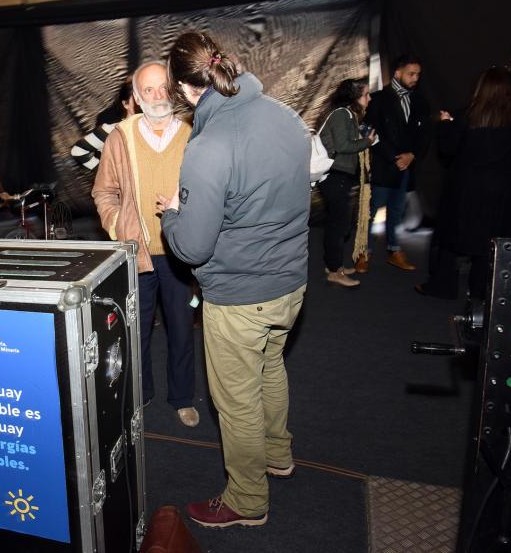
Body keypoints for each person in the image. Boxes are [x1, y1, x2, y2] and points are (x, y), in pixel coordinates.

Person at [158, 31, 308, 528]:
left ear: (185, 87)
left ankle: (246, 500)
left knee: (236, 401)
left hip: (241, 293)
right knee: (271, 368)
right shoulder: (285, 116)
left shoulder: (210, 145)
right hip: (291, 282)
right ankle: (278, 454)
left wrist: (172, 215)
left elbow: (192, 247)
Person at [92, 61, 199, 427]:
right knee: (134, 333)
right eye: (148, 90)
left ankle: (183, 397)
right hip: (136, 255)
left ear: (174, 91)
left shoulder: (193, 131)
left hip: (181, 253)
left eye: (162, 88)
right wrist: (117, 224)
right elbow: (103, 191)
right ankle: (140, 395)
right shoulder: (119, 137)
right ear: (136, 97)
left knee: (183, 330)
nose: (157, 96)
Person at [416, 67, 511, 299]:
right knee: (489, 248)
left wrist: (444, 125)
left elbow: (447, 151)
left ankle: (442, 286)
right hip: (501, 195)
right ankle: (481, 294)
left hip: (466, 192)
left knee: (451, 242)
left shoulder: (467, 116)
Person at [359, 54, 429, 272]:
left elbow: (425, 134)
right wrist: (393, 157)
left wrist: (412, 156)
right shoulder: (378, 99)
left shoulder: (420, 100)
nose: (415, 78)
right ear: (398, 73)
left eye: (418, 74)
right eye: (411, 73)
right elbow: (369, 130)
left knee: (397, 211)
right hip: (383, 165)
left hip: (407, 166)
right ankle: (363, 252)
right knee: (371, 212)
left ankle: (394, 250)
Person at [318, 78, 378, 288]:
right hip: (335, 177)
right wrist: (367, 142)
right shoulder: (342, 114)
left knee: (337, 224)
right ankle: (335, 271)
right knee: (338, 226)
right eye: (365, 94)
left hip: (338, 176)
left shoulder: (347, 115)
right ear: (354, 97)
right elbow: (343, 145)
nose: (369, 98)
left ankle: (332, 265)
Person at [71, 80, 137, 170]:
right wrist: (104, 172)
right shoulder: (113, 129)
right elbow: (78, 151)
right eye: (136, 98)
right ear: (125, 104)